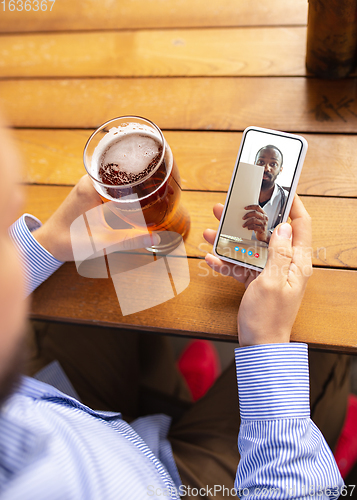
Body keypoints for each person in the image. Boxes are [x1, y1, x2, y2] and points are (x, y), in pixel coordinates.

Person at [0, 119, 349, 499]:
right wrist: (267, 342)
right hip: (161, 482)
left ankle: (168, 389)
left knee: (97, 282)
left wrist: (47, 242)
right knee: (319, 344)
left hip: (57, 401)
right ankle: (324, 444)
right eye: (6, 231)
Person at [243, 145, 288, 244]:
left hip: (267, 254)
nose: (266, 168)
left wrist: (266, 235)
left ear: (280, 169)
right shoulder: (240, 189)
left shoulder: (287, 198)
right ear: (255, 164)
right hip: (234, 248)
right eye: (261, 162)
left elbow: (287, 237)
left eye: (273, 164)